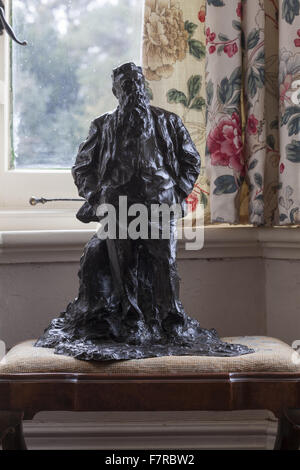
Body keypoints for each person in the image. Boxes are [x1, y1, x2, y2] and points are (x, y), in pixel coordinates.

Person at [35, 63, 252, 360]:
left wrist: (176, 192)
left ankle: (171, 321)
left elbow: (190, 160)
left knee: (164, 263)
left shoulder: (168, 122)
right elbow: (83, 167)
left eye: (137, 82)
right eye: (126, 84)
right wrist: (96, 195)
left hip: (159, 204)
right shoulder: (103, 125)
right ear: (116, 91)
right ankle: (132, 321)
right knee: (122, 266)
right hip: (118, 207)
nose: (133, 88)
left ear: (144, 87)